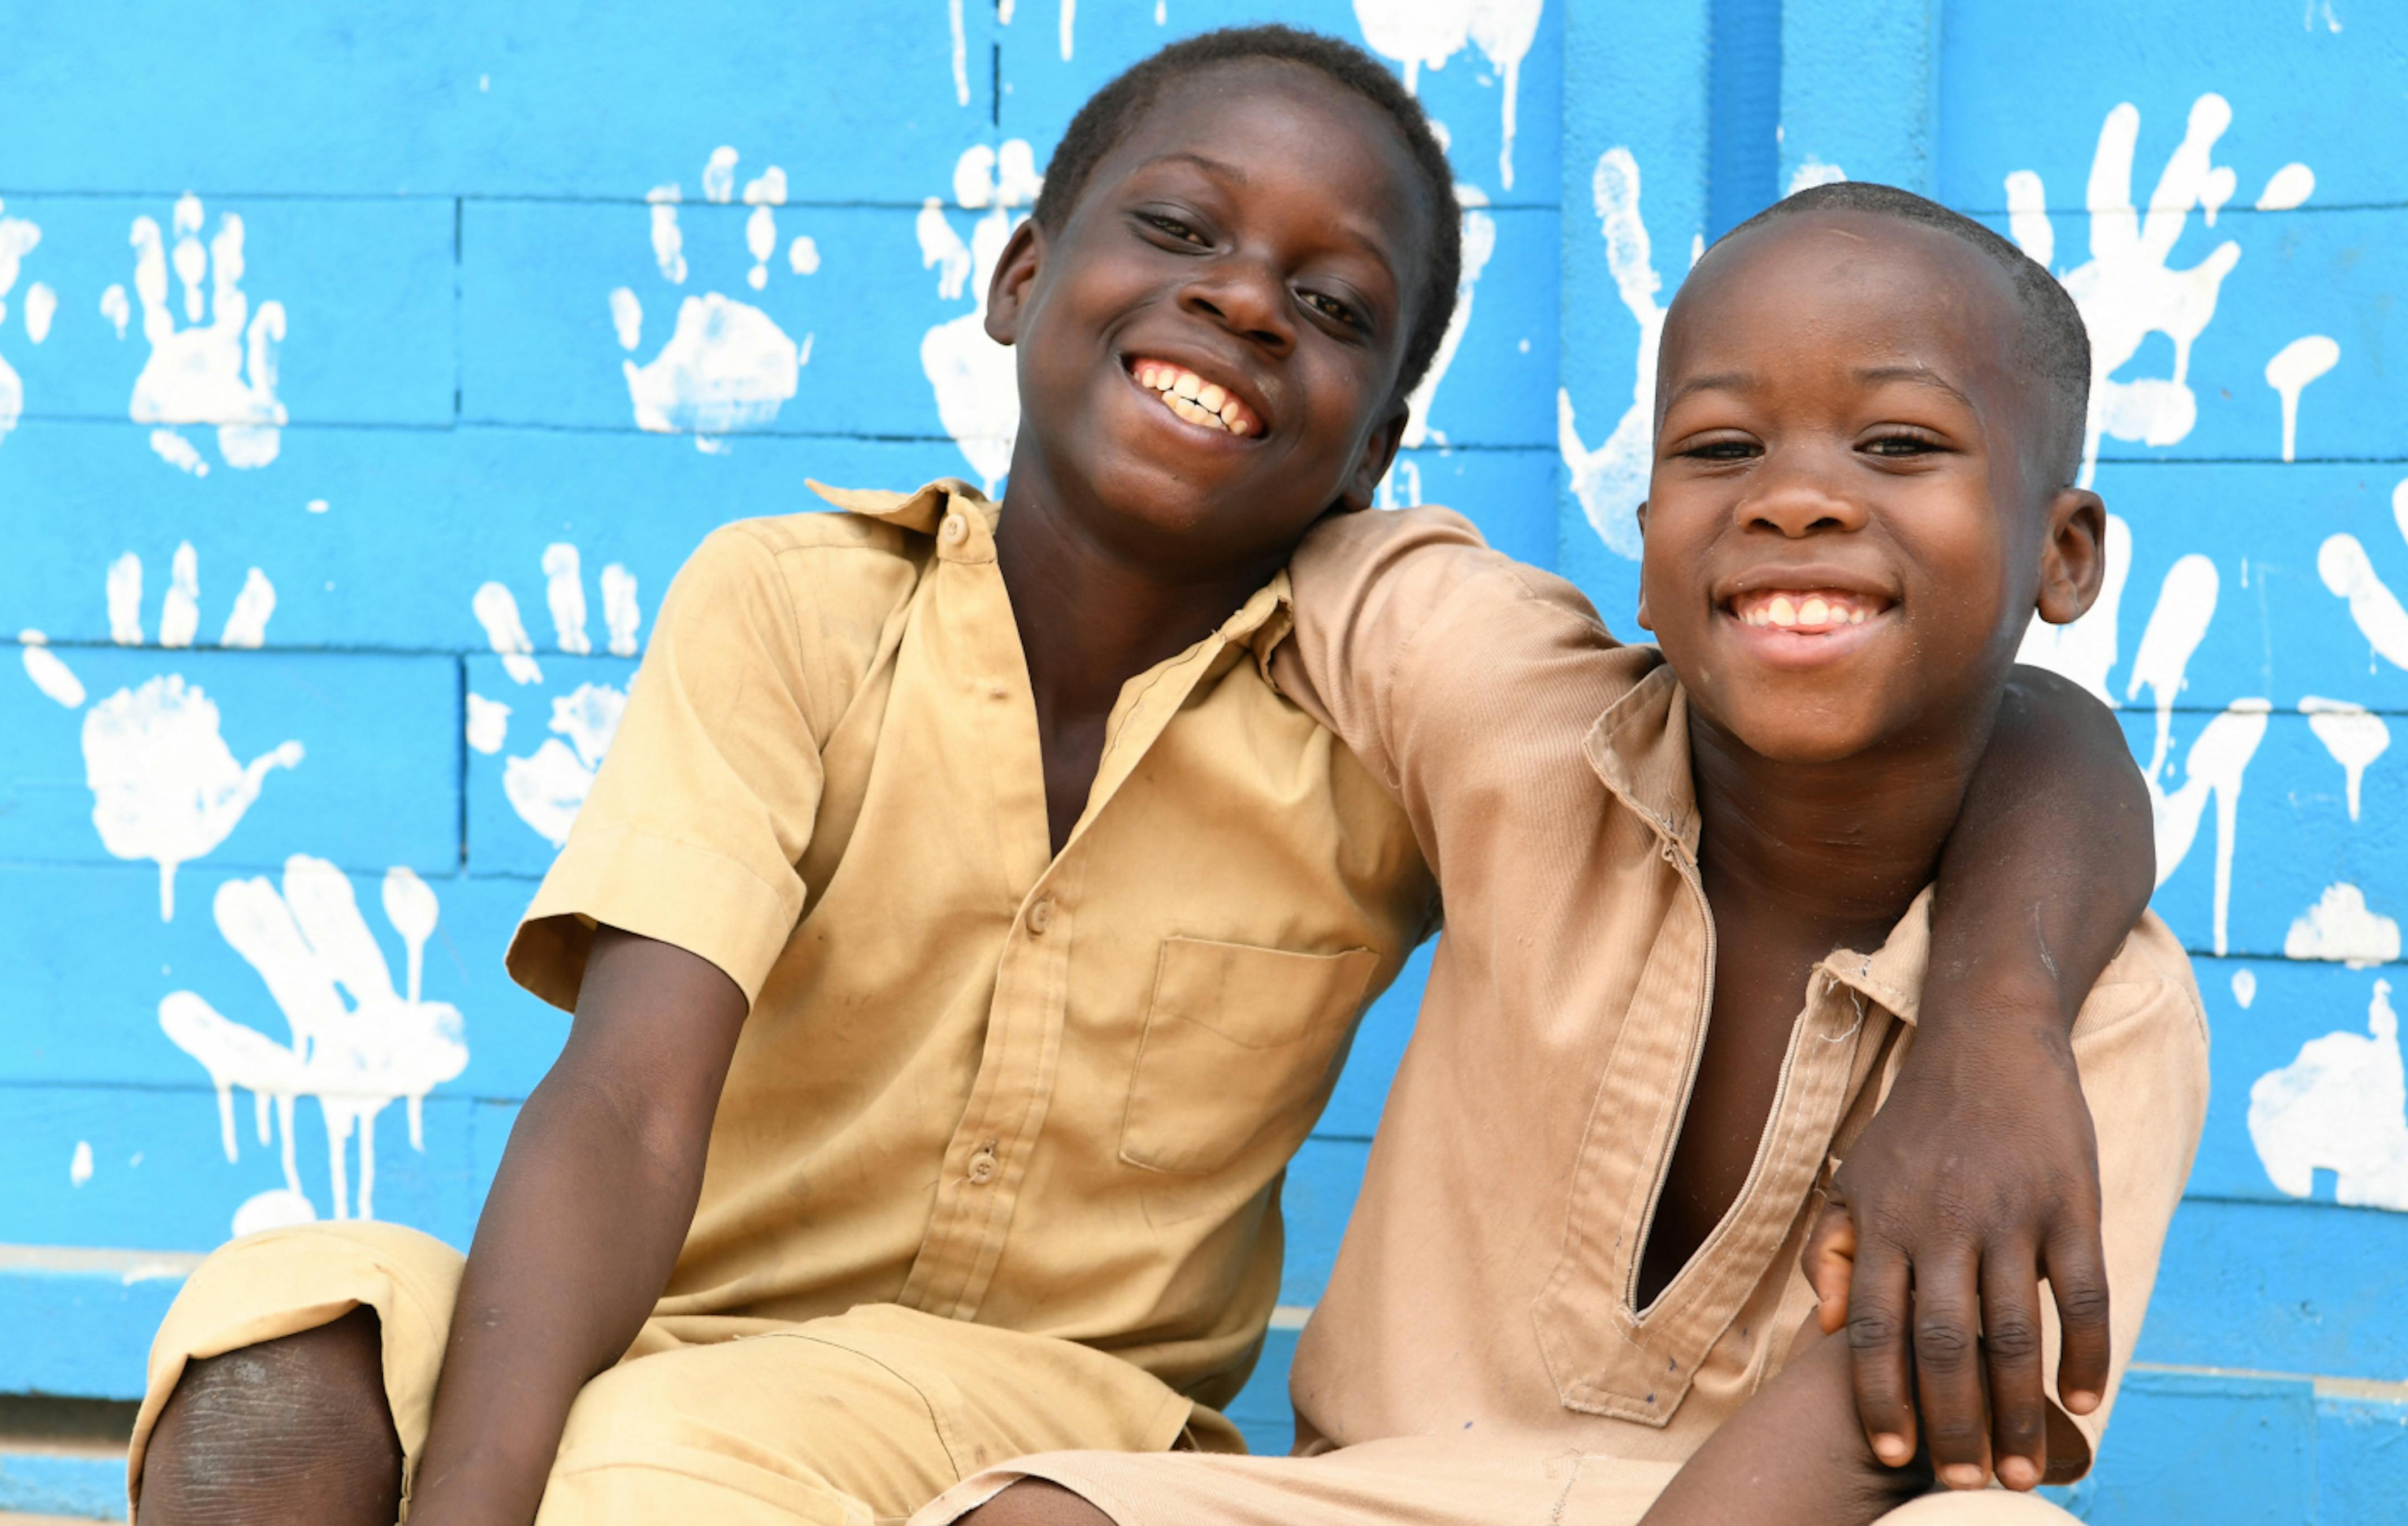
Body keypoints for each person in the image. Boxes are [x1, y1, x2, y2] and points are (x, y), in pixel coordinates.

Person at [127, 25, 2155, 1523]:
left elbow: (1975, 733)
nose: (1242, 299)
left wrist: (1995, 1013)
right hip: (766, 1340)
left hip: (1092, 1415)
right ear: (1020, 279)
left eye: (1334, 308)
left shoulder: (1383, 681)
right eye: (1176, 230)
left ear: (1372, 455)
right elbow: (628, 1095)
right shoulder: (815, 607)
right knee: (278, 1351)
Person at [931, 183, 2207, 1526]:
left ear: (2063, 557)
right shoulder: (1512, 709)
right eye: (1718, 449)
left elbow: (1879, 1434)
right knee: (1028, 1512)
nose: (1797, 499)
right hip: (1383, 1497)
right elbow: (1252, 523)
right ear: (1643, 540)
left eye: (1897, 443)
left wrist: (2000, 1020)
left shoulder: (2107, 1015)